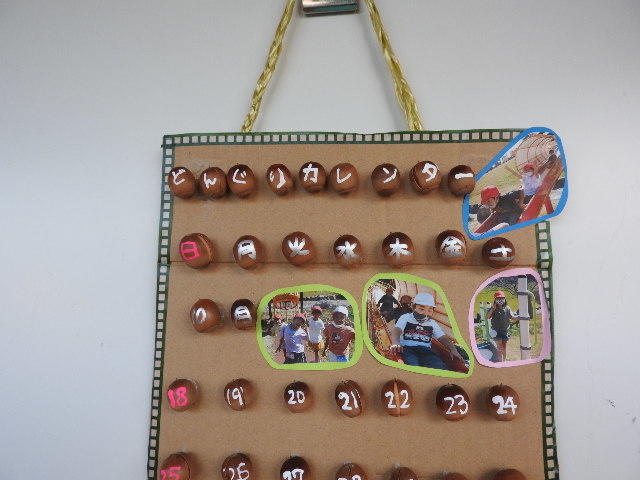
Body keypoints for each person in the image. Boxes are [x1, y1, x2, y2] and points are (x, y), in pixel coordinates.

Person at [390, 292, 463, 370]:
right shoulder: (406, 317)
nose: (425, 313)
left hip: (426, 350)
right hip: (407, 349)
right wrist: (396, 342)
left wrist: (453, 349)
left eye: (430, 310)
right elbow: (397, 330)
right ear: (414, 307)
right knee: (413, 366)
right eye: (422, 309)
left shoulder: (431, 323)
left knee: (439, 366)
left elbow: (442, 337)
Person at [486, 291, 519, 362]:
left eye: (502, 298)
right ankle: (500, 361)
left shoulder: (507, 308)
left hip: (505, 331)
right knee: (499, 347)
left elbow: (512, 317)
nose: (500, 300)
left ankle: (504, 361)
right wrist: (492, 309)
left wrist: (520, 316)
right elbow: (487, 317)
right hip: (496, 331)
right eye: (498, 298)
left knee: (504, 347)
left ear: (504, 299)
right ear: (495, 300)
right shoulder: (493, 308)